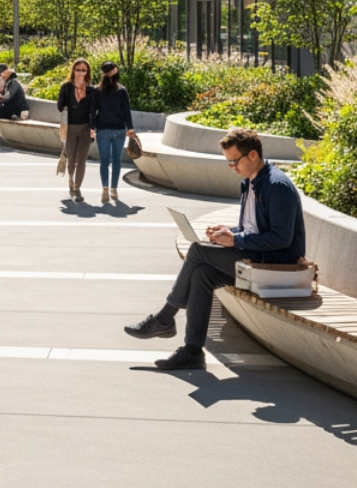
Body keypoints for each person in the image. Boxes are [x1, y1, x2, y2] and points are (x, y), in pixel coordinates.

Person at [124, 128, 306, 371]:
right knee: (202, 275)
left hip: (275, 264)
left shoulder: (277, 186)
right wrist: (228, 231)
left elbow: (281, 239)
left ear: (253, 155)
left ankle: (165, 318)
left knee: (198, 252)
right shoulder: (249, 183)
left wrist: (236, 241)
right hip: (254, 257)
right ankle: (192, 351)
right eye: (228, 162)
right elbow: (251, 227)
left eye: (234, 161)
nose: (231, 167)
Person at [88, 61, 137, 206]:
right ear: (116, 74)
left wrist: (92, 128)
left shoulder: (97, 91)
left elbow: (92, 111)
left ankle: (105, 187)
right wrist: (130, 128)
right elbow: (126, 111)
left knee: (104, 161)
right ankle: (114, 189)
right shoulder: (121, 90)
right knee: (116, 161)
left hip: (102, 129)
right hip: (119, 130)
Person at [56, 57, 95, 203]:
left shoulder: (92, 90)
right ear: (73, 71)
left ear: (87, 72)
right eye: (78, 69)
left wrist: (93, 129)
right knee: (71, 160)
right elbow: (60, 107)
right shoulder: (66, 87)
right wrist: (67, 95)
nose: (80, 73)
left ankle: (77, 188)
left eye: (83, 70)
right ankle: (71, 181)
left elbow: (94, 111)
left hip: (85, 128)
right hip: (70, 129)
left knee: (82, 161)